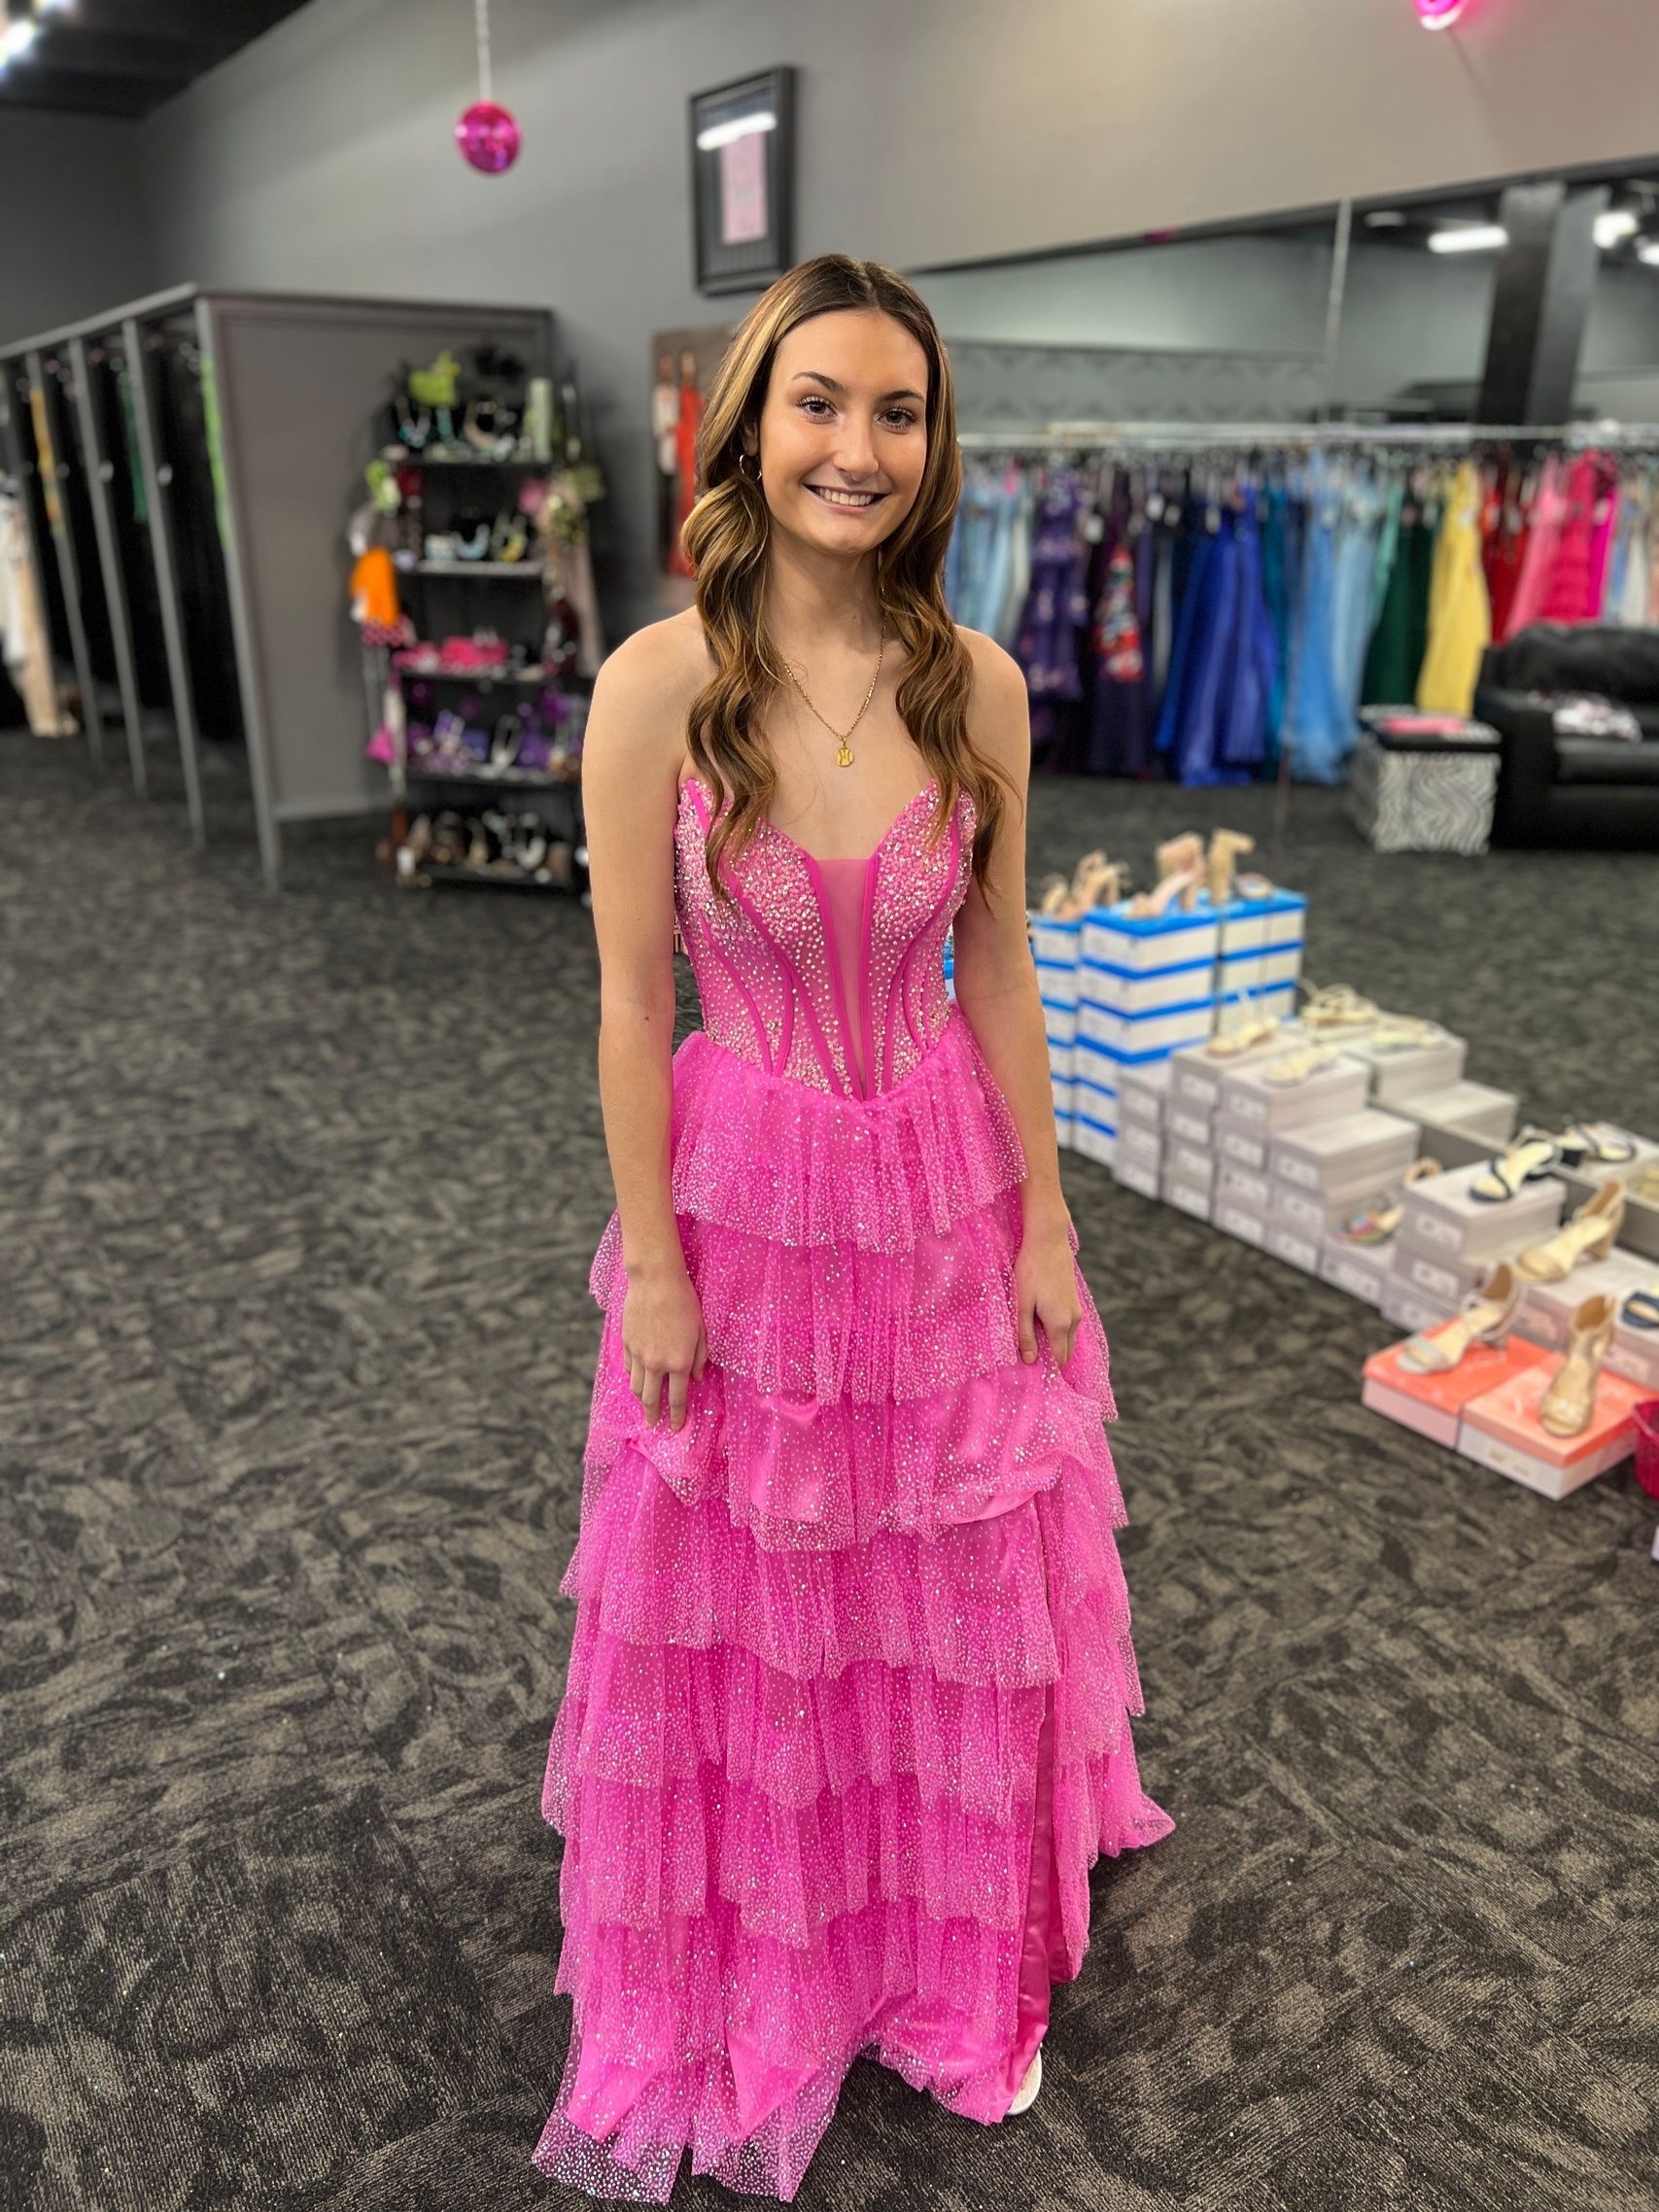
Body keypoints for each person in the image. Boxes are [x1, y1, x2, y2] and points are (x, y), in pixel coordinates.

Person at [533, 253, 1175, 2203]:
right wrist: (652, 1262)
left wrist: (1048, 1215)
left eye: (896, 411)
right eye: (817, 402)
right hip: (740, 1191)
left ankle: (940, 1963)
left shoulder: (975, 683)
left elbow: (1002, 970)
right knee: (759, 1587)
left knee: (945, 1571)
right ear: (750, 424)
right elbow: (629, 1004)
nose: (856, 447)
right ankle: (782, 1949)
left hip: (938, 1180)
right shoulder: (655, 687)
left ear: (934, 443)